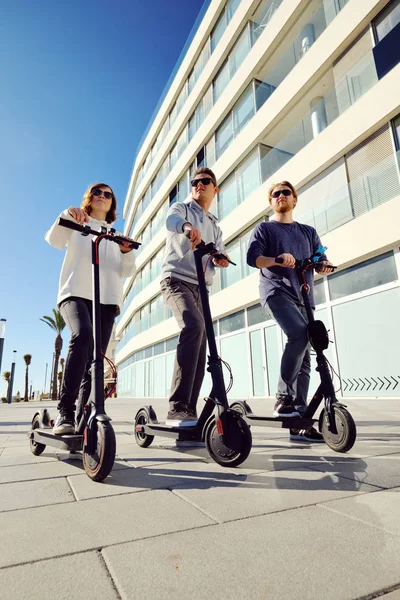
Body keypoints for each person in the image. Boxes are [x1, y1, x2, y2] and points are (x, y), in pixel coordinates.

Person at [45, 183, 136, 435]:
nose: (102, 197)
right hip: (75, 293)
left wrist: (126, 251)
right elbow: (53, 240)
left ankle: (83, 417)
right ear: (89, 198)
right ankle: (65, 411)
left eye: (108, 194)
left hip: (106, 301)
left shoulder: (116, 236)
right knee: (82, 335)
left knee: (94, 360)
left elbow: (127, 271)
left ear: (112, 204)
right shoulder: (77, 221)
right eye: (97, 192)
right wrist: (67, 214)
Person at [247, 180, 333, 443]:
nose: (281, 196)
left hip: (304, 297)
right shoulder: (265, 228)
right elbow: (254, 258)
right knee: (298, 334)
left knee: (306, 354)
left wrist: (323, 265)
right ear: (271, 202)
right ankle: (283, 398)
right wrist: (277, 259)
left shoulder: (308, 232)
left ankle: (300, 418)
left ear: (295, 199)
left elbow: (319, 257)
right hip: (276, 291)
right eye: (276, 194)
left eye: (286, 192)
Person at [161, 167, 229, 426]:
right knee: (193, 326)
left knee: (202, 343)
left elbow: (218, 251)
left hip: (202, 288)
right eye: (195, 182)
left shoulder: (214, 225)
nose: (199, 185)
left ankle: (189, 409)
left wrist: (221, 259)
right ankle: (176, 406)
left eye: (205, 181)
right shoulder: (182, 209)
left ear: (215, 188)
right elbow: (172, 222)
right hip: (176, 280)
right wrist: (187, 227)